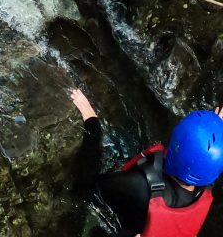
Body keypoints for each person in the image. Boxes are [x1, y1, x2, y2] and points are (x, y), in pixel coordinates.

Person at [69, 88, 223, 236]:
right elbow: (207, 156)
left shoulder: (138, 186)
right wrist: (215, 129)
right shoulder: (204, 186)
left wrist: (92, 125)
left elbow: (84, 187)